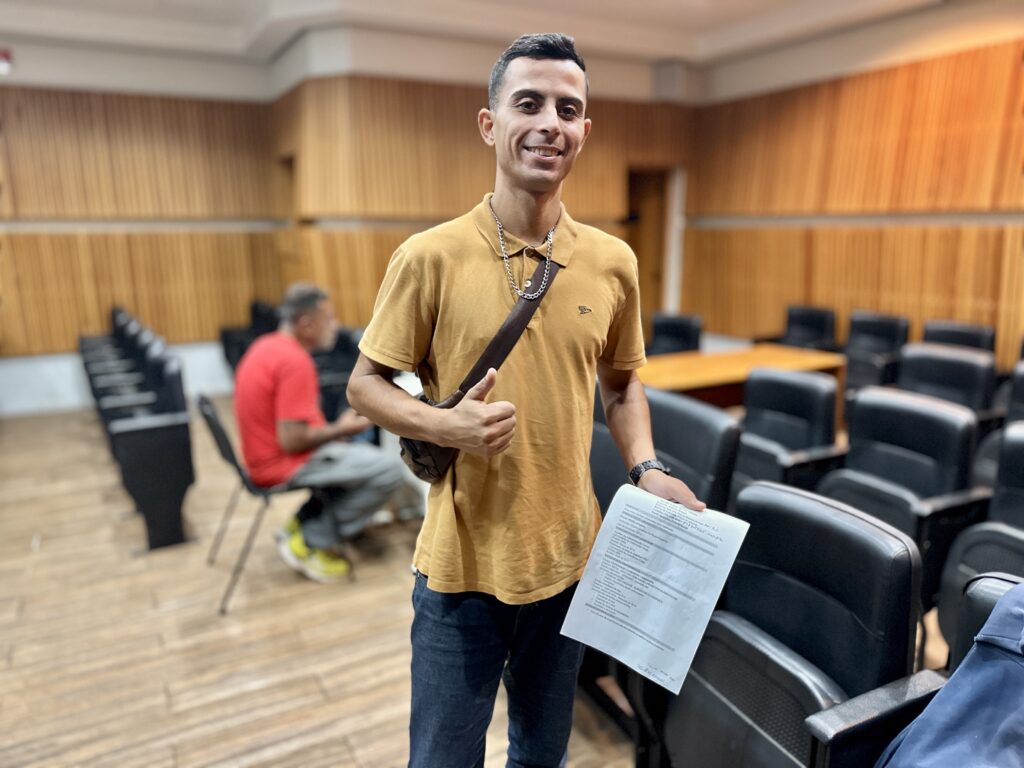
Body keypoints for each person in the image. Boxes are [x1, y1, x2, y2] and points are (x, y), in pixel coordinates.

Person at [346, 33, 704, 767]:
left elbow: (622, 384)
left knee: (542, 756)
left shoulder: (613, 261)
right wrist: (446, 425)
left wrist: (645, 467)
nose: (549, 123)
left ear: (584, 131)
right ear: (490, 123)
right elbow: (364, 386)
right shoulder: (429, 256)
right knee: (442, 758)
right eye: (529, 103)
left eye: (567, 110)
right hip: (460, 568)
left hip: (570, 562)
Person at [234, 282, 421, 583]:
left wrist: (336, 432)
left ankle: (301, 523)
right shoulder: (294, 362)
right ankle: (310, 541)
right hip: (280, 464)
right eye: (329, 318)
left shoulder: (266, 345)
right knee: (388, 470)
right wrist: (339, 430)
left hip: (259, 458)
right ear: (307, 324)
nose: (335, 325)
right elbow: (291, 441)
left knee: (357, 457)